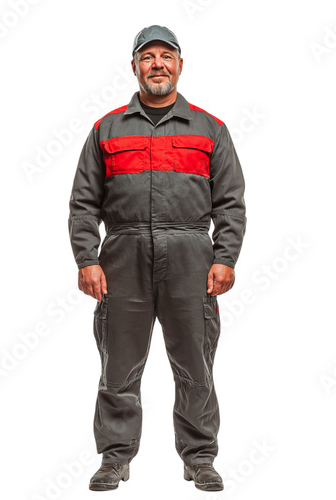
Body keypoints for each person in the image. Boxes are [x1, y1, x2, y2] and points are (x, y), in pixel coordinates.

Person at [68, 24, 247, 492]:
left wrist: (224, 257)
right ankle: (115, 457)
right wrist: (87, 259)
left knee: (195, 364)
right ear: (134, 67)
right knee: (119, 365)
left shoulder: (210, 129)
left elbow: (230, 202)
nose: (158, 65)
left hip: (191, 257)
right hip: (122, 259)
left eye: (166, 56)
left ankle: (199, 456)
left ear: (180, 65)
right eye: (147, 57)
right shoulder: (106, 128)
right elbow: (83, 203)